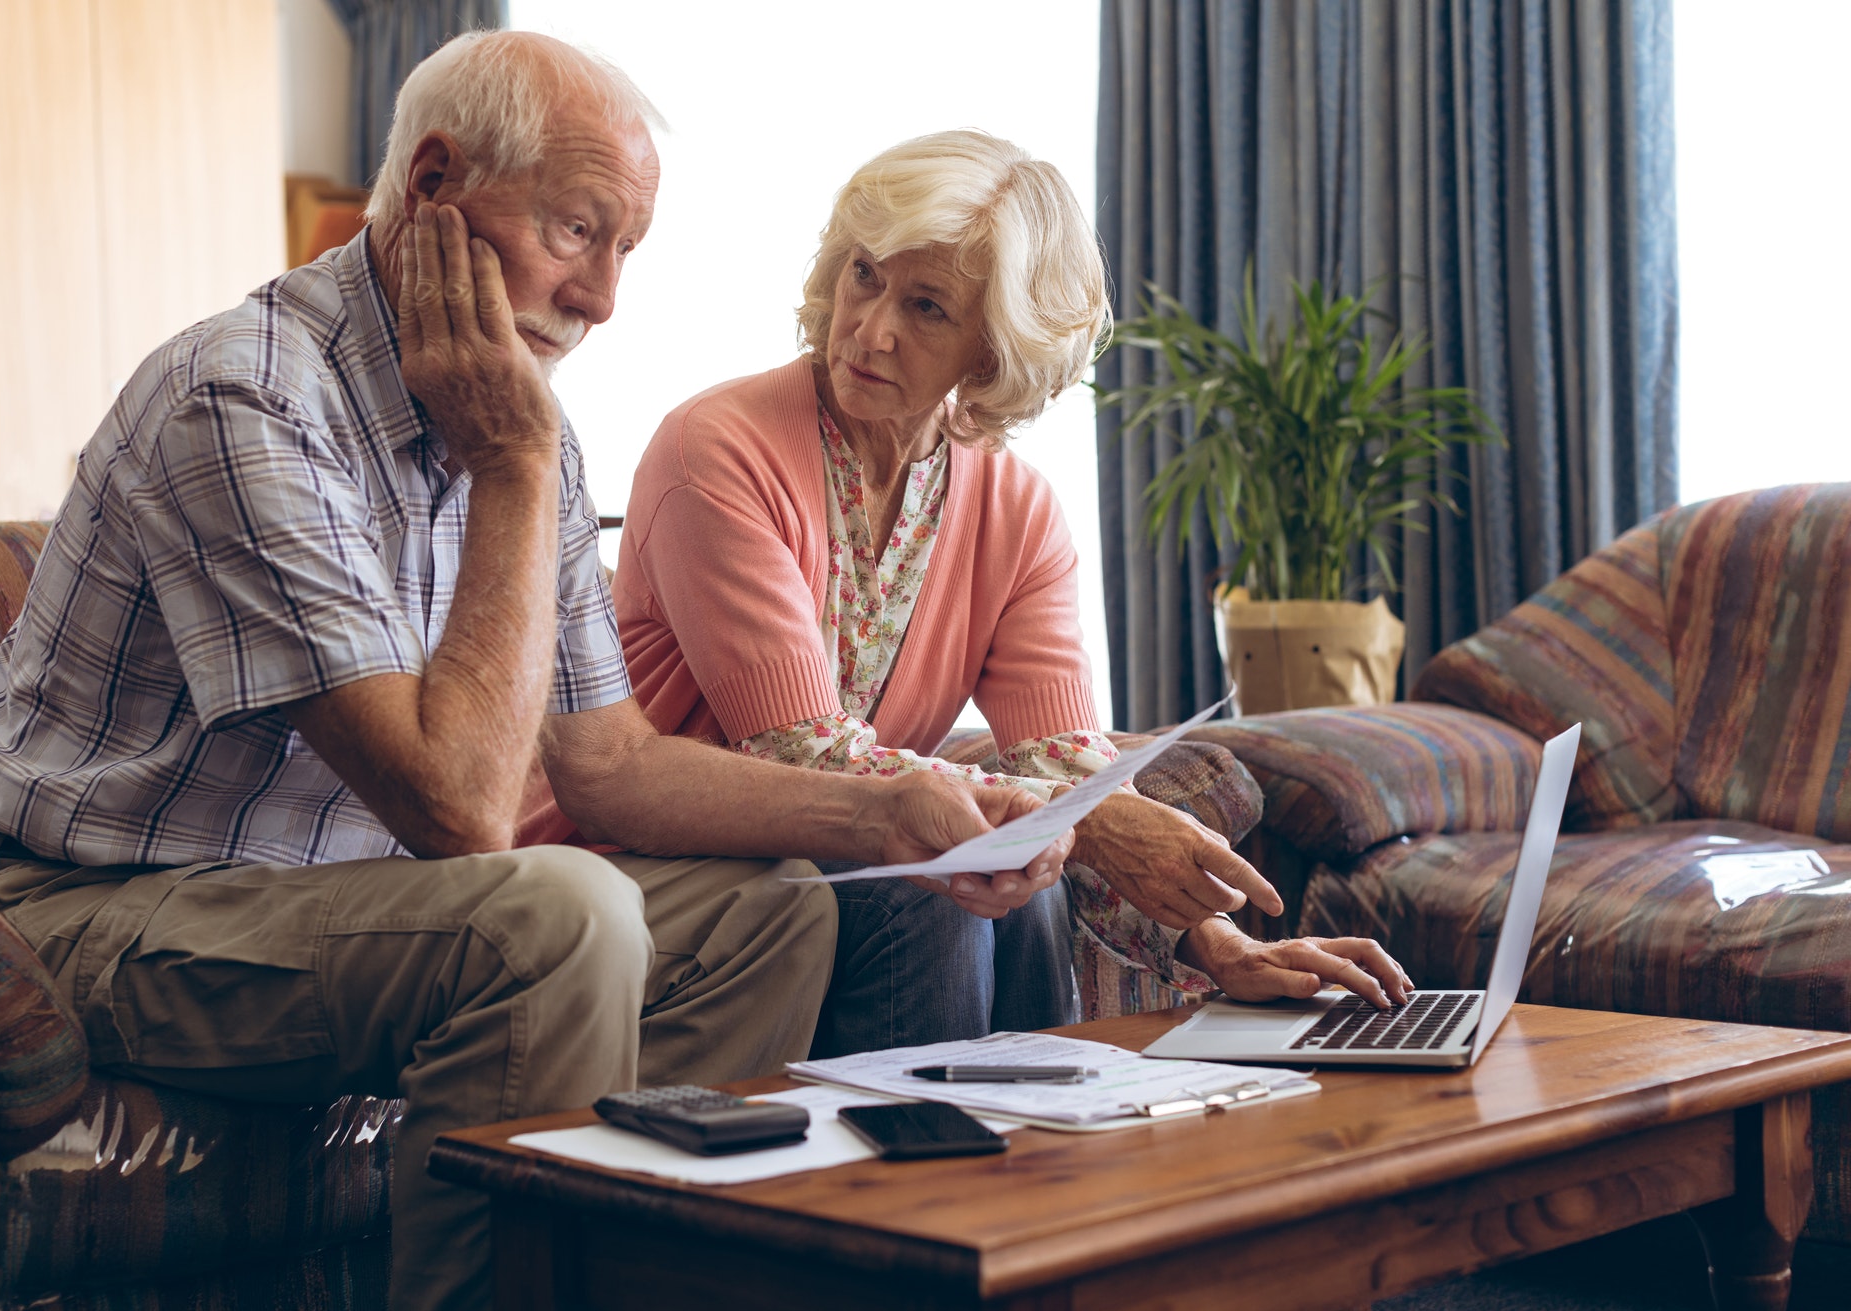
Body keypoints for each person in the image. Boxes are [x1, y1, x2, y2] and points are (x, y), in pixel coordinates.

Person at [0, 40, 1067, 1311]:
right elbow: (462, 810)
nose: (603, 296)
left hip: (315, 908)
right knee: (558, 914)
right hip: (88, 915)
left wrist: (888, 813)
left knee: (774, 912)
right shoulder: (245, 397)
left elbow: (611, 765)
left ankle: (646, 1295)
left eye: (626, 249)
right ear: (432, 183)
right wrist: (522, 469)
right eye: (577, 230)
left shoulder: (510, 413)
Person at [521, 130, 1411, 1054]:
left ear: (993, 355)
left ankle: (1046, 1168)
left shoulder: (1017, 508)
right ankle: (924, 1183)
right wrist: (1083, 820)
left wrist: (1218, 943)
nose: (870, 328)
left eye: (927, 307)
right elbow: (803, 753)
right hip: (645, 857)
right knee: (940, 885)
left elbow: (1065, 767)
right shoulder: (717, 450)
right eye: (865, 274)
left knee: (1014, 887)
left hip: (839, 856)